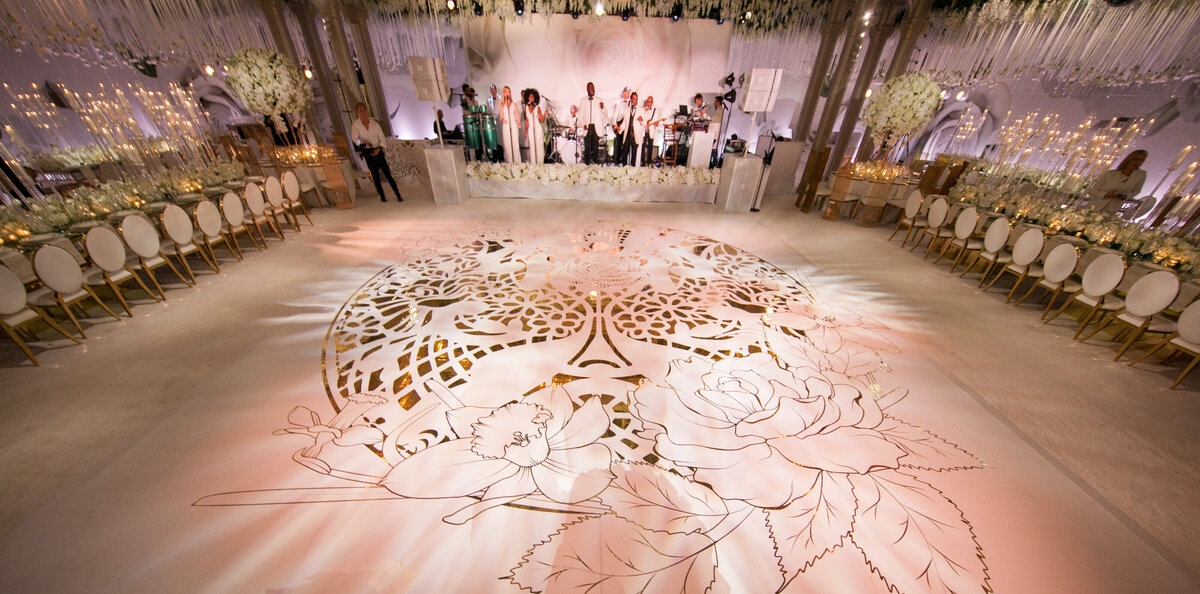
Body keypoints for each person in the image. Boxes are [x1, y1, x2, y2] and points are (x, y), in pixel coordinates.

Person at [350, 102, 403, 202]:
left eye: (364, 109)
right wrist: (363, 143)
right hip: (367, 150)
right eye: (360, 110)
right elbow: (354, 138)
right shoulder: (356, 125)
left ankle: (397, 193)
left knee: (387, 173)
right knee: (375, 175)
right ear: (358, 112)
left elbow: (382, 137)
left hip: (378, 149)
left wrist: (380, 148)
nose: (363, 112)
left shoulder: (374, 124)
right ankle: (382, 195)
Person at [1089, 150, 1148, 214]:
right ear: (1129, 159)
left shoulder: (1140, 175)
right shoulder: (1111, 173)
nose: (1138, 162)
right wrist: (1107, 195)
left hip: (1112, 209)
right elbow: (1092, 190)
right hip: (1095, 206)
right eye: (1136, 159)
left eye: (1142, 160)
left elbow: (1137, 190)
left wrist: (1126, 196)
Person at [578, 82, 608, 165]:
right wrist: (583, 123)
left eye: (593, 88)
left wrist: (603, 108)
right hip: (587, 126)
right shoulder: (583, 101)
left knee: (595, 147)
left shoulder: (599, 100)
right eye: (590, 88)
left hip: (596, 126)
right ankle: (587, 163)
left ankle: (595, 164)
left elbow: (606, 113)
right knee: (587, 147)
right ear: (587, 89)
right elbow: (580, 115)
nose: (592, 90)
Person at [497, 86, 521, 164]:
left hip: (513, 125)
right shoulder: (502, 105)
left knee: (515, 144)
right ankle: (510, 162)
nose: (508, 93)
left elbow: (517, 115)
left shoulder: (514, 104)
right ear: (504, 93)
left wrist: (519, 123)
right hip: (506, 126)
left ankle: (517, 162)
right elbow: (500, 116)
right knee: (508, 144)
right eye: (506, 92)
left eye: (509, 92)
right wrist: (503, 120)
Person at [639, 95, 665, 166]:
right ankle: (642, 161)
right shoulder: (643, 110)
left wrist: (656, 123)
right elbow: (641, 120)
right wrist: (645, 124)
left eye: (650, 102)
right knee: (643, 146)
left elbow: (657, 120)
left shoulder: (656, 111)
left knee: (650, 146)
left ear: (652, 102)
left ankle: (649, 162)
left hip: (651, 131)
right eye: (648, 102)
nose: (649, 103)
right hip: (644, 130)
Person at [523, 88, 547, 164]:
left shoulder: (538, 108)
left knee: (538, 146)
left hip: (537, 129)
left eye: (532, 97)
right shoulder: (526, 108)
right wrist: (525, 132)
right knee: (532, 147)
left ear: (535, 98)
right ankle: (533, 163)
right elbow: (527, 120)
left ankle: (540, 162)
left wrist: (545, 114)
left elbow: (542, 120)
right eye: (529, 97)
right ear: (527, 98)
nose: (531, 98)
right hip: (530, 129)